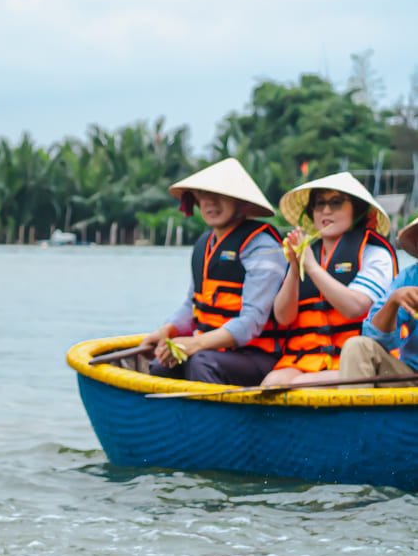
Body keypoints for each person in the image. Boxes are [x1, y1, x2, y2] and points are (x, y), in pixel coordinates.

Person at [134, 157, 287, 385]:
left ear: (240, 202)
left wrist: (195, 344)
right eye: (203, 195)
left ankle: (215, 421)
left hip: (259, 356)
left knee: (201, 362)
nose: (210, 203)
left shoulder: (262, 247)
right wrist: (166, 331)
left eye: (220, 195)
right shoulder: (204, 245)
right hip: (213, 350)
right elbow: (192, 304)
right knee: (161, 365)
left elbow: (251, 322)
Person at [260, 172, 397, 387]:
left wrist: (311, 267)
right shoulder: (307, 253)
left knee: (301, 383)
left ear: (357, 211)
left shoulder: (374, 254)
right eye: (319, 204)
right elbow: (283, 317)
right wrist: (295, 270)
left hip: (358, 364)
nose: (326, 210)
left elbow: (355, 308)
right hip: (307, 360)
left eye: (336, 203)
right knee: (272, 382)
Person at [337, 213, 418, 383]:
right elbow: (376, 338)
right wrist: (394, 301)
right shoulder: (409, 278)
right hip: (412, 377)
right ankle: (356, 410)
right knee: (357, 347)